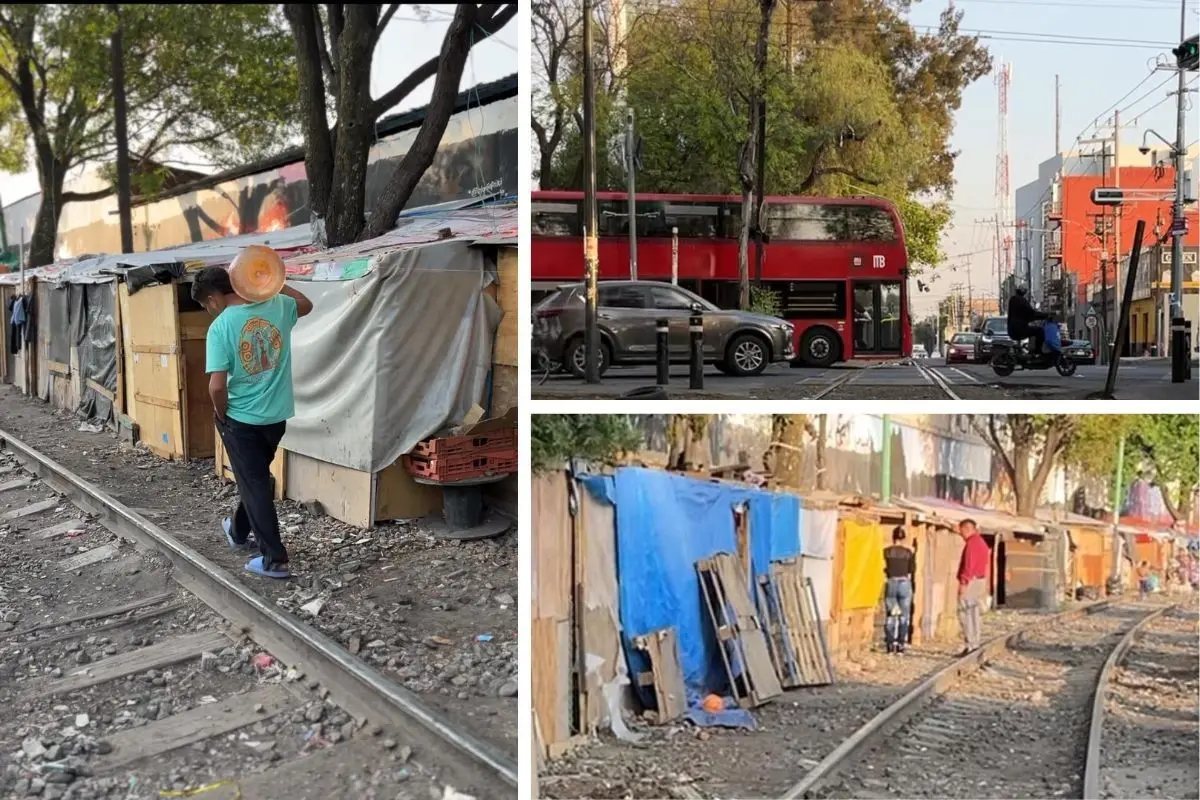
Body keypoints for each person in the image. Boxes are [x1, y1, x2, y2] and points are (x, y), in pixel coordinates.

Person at [193, 265, 313, 579]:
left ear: (213, 298)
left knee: (256, 483)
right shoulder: (279, 306)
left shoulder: (221, 326)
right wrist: (273, 284)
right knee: (255, 478)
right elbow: (306, 304)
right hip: (277, 416)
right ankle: (237, 531)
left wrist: (221, 415)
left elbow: (217, 386)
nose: (209, 310)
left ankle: (274, 559)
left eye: (206, 305)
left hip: (242, 418)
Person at [956, 519, 990, 655]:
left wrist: (964, 582)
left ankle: (970, 644)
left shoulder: (972, 544)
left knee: (965, 612)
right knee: (974, 612)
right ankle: (975, 642)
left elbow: (969, 565)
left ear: (966, 528)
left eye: (961, 530)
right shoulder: (981, 542)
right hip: (979, 580)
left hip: (971, 581)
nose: (961, 534)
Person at [883, 525, 916, 654]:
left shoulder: (886, 551)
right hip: (904, 582)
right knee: (903, 616)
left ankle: (890, 645)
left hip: (891, 582)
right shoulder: (908, 553)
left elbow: (885, 567)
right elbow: (911, 569)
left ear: (893, 537)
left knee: (891, 615)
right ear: (903, 538)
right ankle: (901, 645)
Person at [1007, 285, 1052, 357]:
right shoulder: (1022, 301)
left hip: (1012, 328)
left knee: (1033, 330)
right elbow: (1031, 313)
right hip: (1019, 329)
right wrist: (1045, 316)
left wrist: (1038, 317)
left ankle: (1031, 350)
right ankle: (1037, 352)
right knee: (1039, 331)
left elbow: (1026, 314)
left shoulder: (1013, 299)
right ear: (1024, 292)